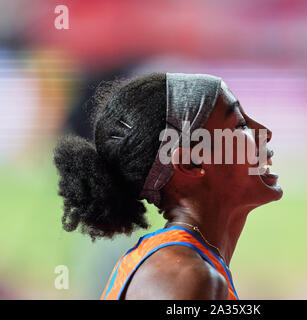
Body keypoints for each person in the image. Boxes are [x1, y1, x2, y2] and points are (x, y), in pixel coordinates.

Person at [53, 72, 283, 300]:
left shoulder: (183, 266)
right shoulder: (187, 278)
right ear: (190, 163)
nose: (265, 132)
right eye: (240, 125)